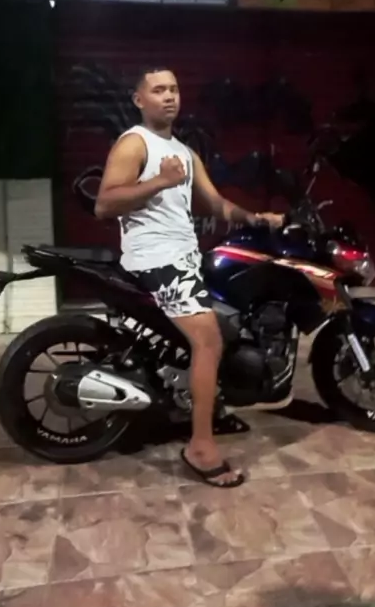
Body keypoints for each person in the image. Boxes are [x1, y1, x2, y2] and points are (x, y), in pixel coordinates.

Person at [95, 67, 284, 488]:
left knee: (229, 316)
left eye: (174, 89)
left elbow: (215, 203)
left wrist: (256, 217)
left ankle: (207, 401)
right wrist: (160, 181)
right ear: (139, 100)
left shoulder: (183, 151)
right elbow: (104, 204)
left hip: (183, 255)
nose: (169, 96)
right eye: (158, 90)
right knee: (208, 339)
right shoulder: (134, 142)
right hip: (156, 258)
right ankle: (200, 446)